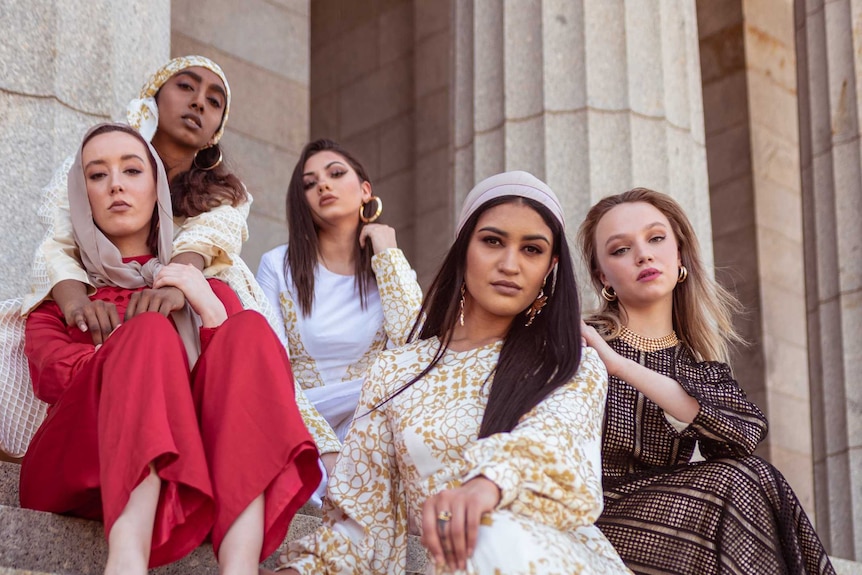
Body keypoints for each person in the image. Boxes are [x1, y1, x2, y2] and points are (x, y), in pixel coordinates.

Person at [277, 171, 631, 574]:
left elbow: (554, 440)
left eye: (531, 250)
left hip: (549, 558)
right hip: (455, 564)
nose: (510, 264)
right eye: (492, 241)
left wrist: (484, 486)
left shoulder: (569, 361)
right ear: (464, 249)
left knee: (488, 531)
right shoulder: (396, 371)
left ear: (550, 267)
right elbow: (361, 520)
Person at [19, 123, 321, 575]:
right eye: (97, 175)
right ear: (81, 198)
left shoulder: (207, 287)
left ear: (156, 188)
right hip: (79, 470)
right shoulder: (60, 302)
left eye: (132, 171)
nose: (116, 184)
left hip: (193, 474)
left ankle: (238, 566)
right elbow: (55, 379)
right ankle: (126, 563)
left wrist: (203, 304)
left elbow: (245, 388)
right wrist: (125, 344)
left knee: (248, 330)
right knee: (150, 334)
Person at [1, 55, 336, 460]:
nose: (198, 103)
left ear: (216, 131)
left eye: (214, 102)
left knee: (229, 287)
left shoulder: (228, 193)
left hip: (180, 290)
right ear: (152, 98)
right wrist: (76, 304)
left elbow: (207, 238)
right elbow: (59, 238)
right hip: (97, 288)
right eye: (186, 87)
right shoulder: (98, 159)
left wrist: (179, 287)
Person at [578, 187, 835, 574]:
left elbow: (744, 435)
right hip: (594, 514)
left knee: (750, 475)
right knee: (738, 483)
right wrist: (605, 357)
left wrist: (621, 366)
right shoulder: (581, 340)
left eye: (656, 238)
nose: (643, 254)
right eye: (620, 249)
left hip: (675, 520)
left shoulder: (699, 370)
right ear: (603, 277)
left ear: (679, 255)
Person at [256, 139, 422, 472]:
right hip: (296, 424)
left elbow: (415, 347)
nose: (324, 185)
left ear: (365, 190)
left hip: (371, 423)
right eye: (310, 183)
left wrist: (387, 251)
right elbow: (267, 366)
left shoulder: (390, 271)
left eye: (335, 173)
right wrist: (326, 449)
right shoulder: (277, 266)